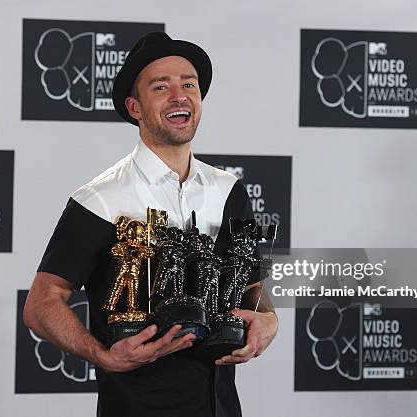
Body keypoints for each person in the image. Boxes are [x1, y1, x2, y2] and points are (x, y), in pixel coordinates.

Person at [23, 32, 278, 417]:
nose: (179, 95)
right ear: (135, 107)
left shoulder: (229, 191)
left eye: (188, 84)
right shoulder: (102, 198)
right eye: (161, 87)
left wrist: (268, 318)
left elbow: (252, 284)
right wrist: (103, 356)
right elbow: (42, 302)